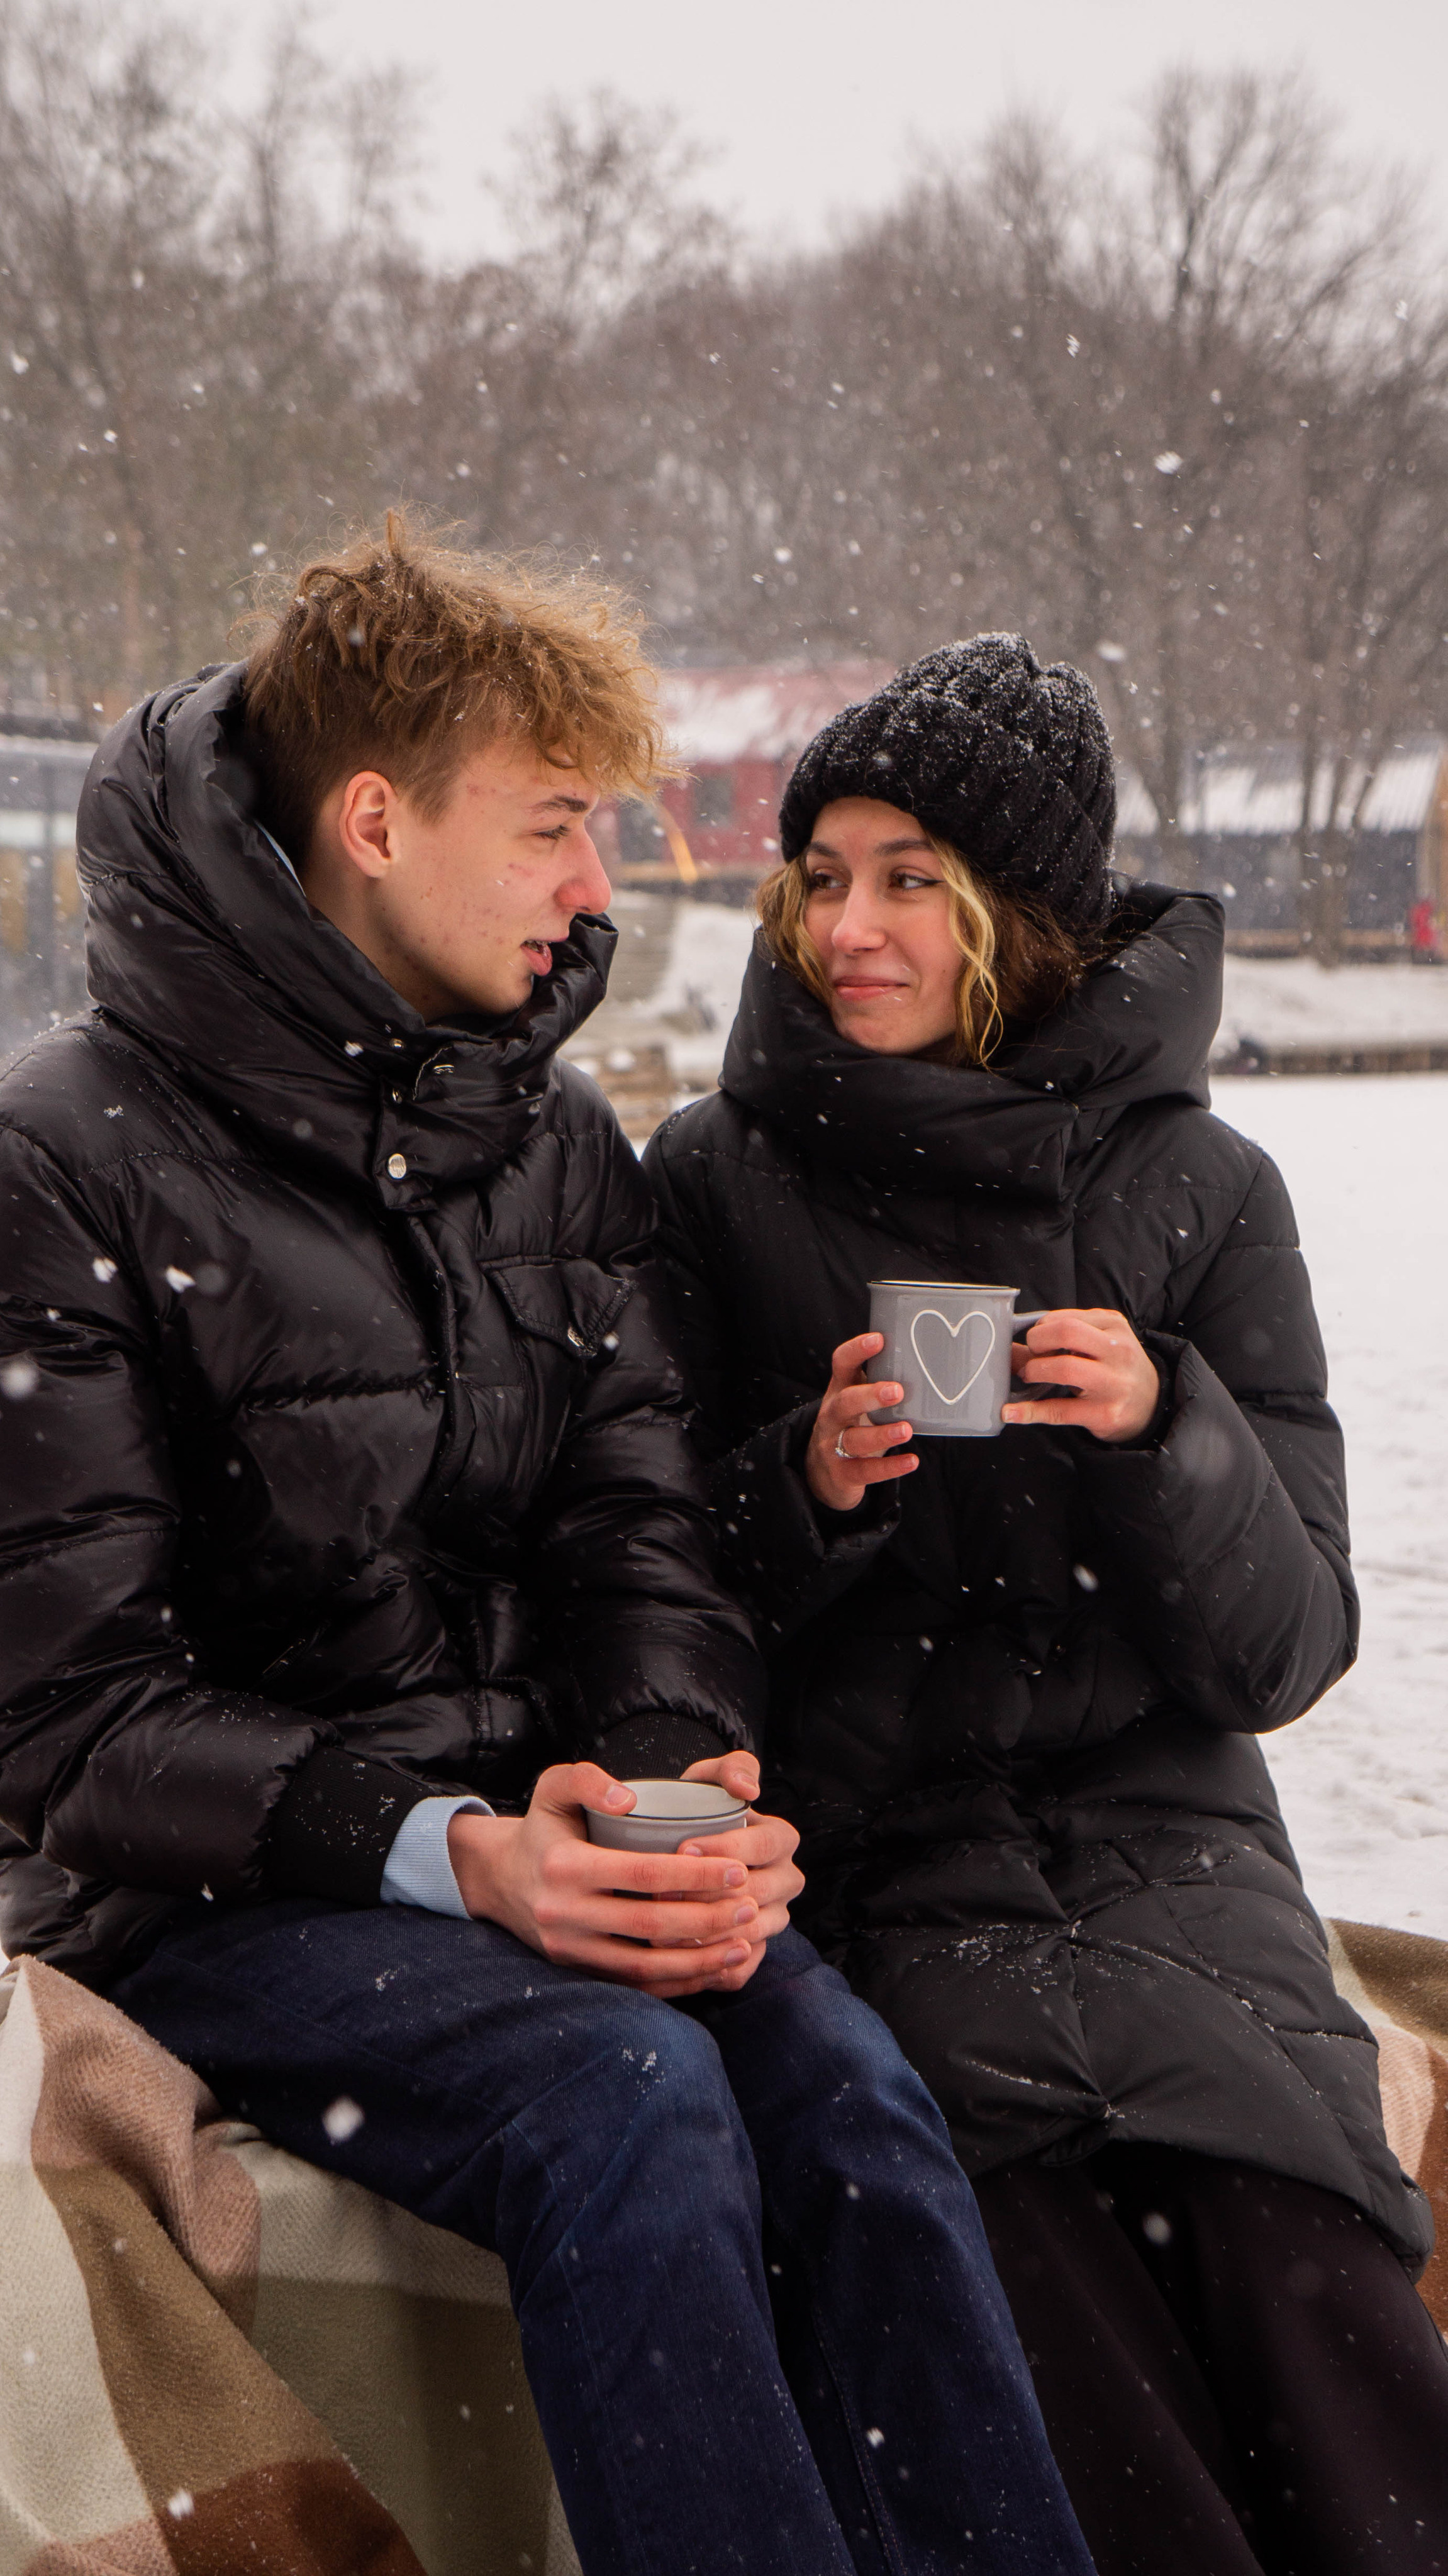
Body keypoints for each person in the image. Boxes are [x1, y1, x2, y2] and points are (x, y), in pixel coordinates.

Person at [0, 535, 1096, 2576]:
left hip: (552, 1852)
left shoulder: (555, 1146)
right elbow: (67, 1719)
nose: (600, 888)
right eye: (556, 828)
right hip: (215, 1891)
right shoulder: (58, 1155)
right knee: (631, 2099)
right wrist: (447, 1849)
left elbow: (643, 1531)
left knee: (851, 2104)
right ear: (377, 819)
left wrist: (691, 1787)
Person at [644, 633, 1448, 2576]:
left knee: (1295, 2252)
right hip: (884, 1847)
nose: (851, 925)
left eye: (912, 878)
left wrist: (1167, 1431)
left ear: (1026, 913)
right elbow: (639, 1583)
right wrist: (804, 1485)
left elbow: (1286, 1649)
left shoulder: (1204, 1192)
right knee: (1032, 2281)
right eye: (823, 876)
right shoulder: (712, 1176)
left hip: (1169, 1847)